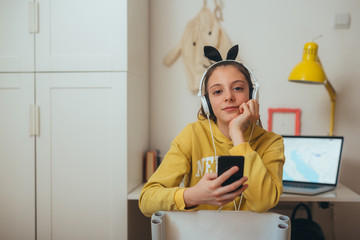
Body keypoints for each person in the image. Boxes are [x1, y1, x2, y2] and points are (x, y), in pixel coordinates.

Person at [139, 45, 285, 217]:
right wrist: (192, 196)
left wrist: (236, 133)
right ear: (207, 103)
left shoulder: (271, 142)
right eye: (217, 91)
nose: (228, 96)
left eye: (237, 88)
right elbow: (146, 201)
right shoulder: (192, 135)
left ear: (252, 95)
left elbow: (264, 201)